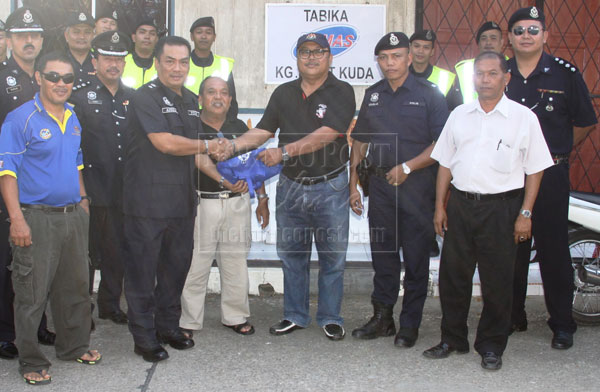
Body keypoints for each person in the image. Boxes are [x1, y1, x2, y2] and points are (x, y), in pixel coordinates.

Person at [213, 32, 355, 340]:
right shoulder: (284, 93)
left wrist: (285, 151)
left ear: (329, 57)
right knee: (292, 255)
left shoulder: (341, 90)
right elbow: (264, 130)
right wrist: (232, 146)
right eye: (305, 51)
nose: (312, 57)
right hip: (291, 186)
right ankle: (295, 315)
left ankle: (330, 316)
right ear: (297, 57)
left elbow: (328, 133)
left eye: (319, 51)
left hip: (329, 186)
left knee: (333, 257)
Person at [423, 51, 552, 371]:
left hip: (503, 209)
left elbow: (535, 169)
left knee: (497, 282)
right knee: (453, 278)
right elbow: (445, 164)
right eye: (479, 74)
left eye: (492, 74)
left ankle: (492, 345)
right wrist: (440, 206)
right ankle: (452, 339)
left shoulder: (524, 118)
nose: (484, 79)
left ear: (506, 78)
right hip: (462, 206)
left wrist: (526, 214)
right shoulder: (460, 115)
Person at [0, 51, 102, 386]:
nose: (61, 84)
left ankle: (73, 346)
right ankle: (30, 359)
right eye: (53, 77)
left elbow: (77, 164)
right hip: (36, 218)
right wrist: (17, 219)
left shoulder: (72, 116)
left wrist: (84, 201)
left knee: (74, 288)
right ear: (39, 78)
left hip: (73, 216)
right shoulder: (20, 119)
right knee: (31, 293)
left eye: (68, 78)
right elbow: (7, 172)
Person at [506, 6, 598, 350]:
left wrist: (553, 153)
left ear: (545, 35)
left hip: (550, 175)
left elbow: (586, 121)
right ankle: (513, 316)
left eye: (533, 29)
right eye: (519, 30)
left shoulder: (565, 74)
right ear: (509, 37)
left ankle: (562, 323)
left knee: (553, 249)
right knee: (510, 249)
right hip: (509, 175)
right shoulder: (501, 73)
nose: (526, 35)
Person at [122, 35, 218, 362]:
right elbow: (165, 143)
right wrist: (207, 146)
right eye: (170, 61)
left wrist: (225, 174)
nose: (177, 68)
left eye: (183, 62)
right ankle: (144, 337)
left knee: (176, 269)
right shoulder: (143, 98)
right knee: (142, 272)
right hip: (146, 204)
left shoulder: (192, 100)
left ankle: (168, 326)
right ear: (158, 62)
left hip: (180, 203)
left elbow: (194, 153)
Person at [349, 32, 448, 347]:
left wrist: (408, 167)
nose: (389, 63)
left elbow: (443, 144)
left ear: (409, 58)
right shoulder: (373, 94)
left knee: (417, 258)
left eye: (396, 56)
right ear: (378, 61)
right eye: (383, 57)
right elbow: (360, 141)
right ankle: (383, 319)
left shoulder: (429, 94)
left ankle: (410, 325)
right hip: (379, 188)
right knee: (383, 257)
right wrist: (353, 185)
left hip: (417, 189)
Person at [180, 76, 269, 338]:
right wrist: (225, 181)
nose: (218, 97)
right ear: (200, 99)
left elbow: (252, 166)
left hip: (237, 205)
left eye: (224, 93)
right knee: (197, 262)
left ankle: (235, 316)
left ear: (230, 99)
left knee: (235, 262)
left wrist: (262, 199)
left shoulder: (239, 126)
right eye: (211, 92)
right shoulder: (191, 126)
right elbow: (198, 159)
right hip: (203, 203)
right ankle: (188, 320)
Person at [0, 7, 56, 362]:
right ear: (9, 40)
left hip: (42, 184)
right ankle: (6, 331)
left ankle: (35, 324)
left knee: (39, 259)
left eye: (35, 35)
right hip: (8, 180)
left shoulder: (48, 77)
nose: (29, 40)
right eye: (22, 35)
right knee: (7, 261)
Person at [70, 31, 133, 326]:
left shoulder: (133, 97)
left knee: (117, 251)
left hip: (123, 190)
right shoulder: (79, 96)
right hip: (91, 188)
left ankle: (109, 304)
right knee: (85, 255)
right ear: (94, 61)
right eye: (107, 58)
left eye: (119, 59)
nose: (114, 64)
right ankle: (83, 310)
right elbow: (71, 147)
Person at [186, 16, 238, 118]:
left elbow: (232, 102)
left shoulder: (224, 64)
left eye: (208, 33)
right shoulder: (182, 63)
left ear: (214, 37)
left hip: (216, 123)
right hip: (185, 123)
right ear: (192, 36)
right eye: (199, 32)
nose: (204, 36)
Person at [454, 21, 504, 104]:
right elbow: (455, 102)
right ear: (478, 43)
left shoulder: (511, 67)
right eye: (484, 39)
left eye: (493, 38)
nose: (488, 43)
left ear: (501, 42)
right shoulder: (464, 69)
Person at [409, 29, 460, 109]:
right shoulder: (400, 75)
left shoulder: (445, 78)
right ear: (410, 48)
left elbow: (451, 110)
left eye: (426, 47)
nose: (420, 51)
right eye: (416, 46)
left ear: (432, 51)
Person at [122, 18, 158, 89]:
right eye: (142, 32)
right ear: (133, 37)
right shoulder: (122, 61)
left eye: (152, 34)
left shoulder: (163, 64)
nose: (147, 37)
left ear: (157, 39)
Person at [63, 11, 96, 90]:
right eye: (76, 32)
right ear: (66, 36)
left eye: (87, 32)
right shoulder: (57, 62)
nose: (82, 37)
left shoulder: (100, 62)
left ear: (94, 36)